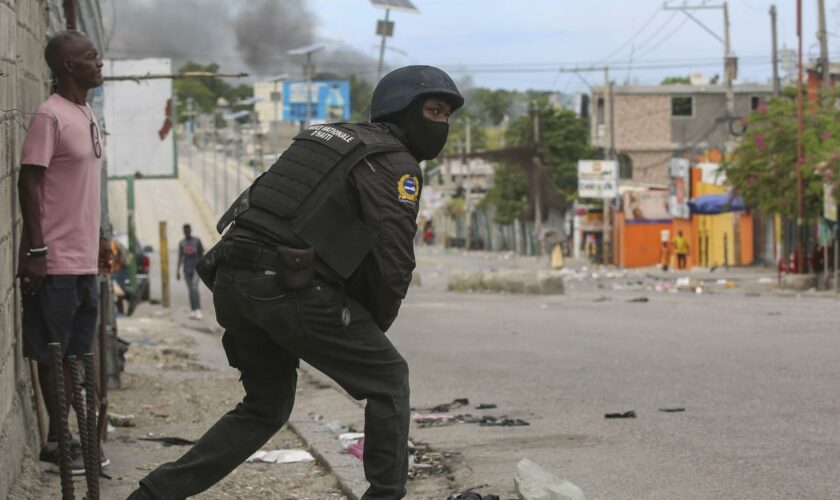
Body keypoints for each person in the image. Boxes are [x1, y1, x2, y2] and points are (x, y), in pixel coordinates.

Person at [128, 65, 463, 500]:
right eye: (434, 110)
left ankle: (154, 494)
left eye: (447, 115)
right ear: (402, 109)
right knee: (389, 379)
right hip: (284, 286)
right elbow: (392, 258)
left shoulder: (324, 138)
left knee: (266, 407)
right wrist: (369, 329)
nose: (442, 124)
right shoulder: (395, 164)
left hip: (232, 277)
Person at [17, 30, 110, 475]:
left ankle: (74, 436)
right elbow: (28, 181)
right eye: (92, 57)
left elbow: (82, 191)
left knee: (74, 353)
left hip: (83, 260)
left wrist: (99, 241)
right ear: (69, 66)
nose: (100, 63)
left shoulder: (84, 112)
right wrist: (36, 250)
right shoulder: (49, 116)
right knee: (51, 353)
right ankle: (59, 440)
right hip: (53, 261)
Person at [176, 224, 205, 319]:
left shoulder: (196, 241)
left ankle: (198, 310)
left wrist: (203, 267)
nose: (187, 232)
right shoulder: (182, 243)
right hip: (186, 269)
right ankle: (193, 310)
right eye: (185, 231)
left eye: (188, 231)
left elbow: (202, 254)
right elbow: (180, 257)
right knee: (190, 290)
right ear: (183, 232)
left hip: (196, 268)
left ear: (190, 231)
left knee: (194, 287)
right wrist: (178, 271)